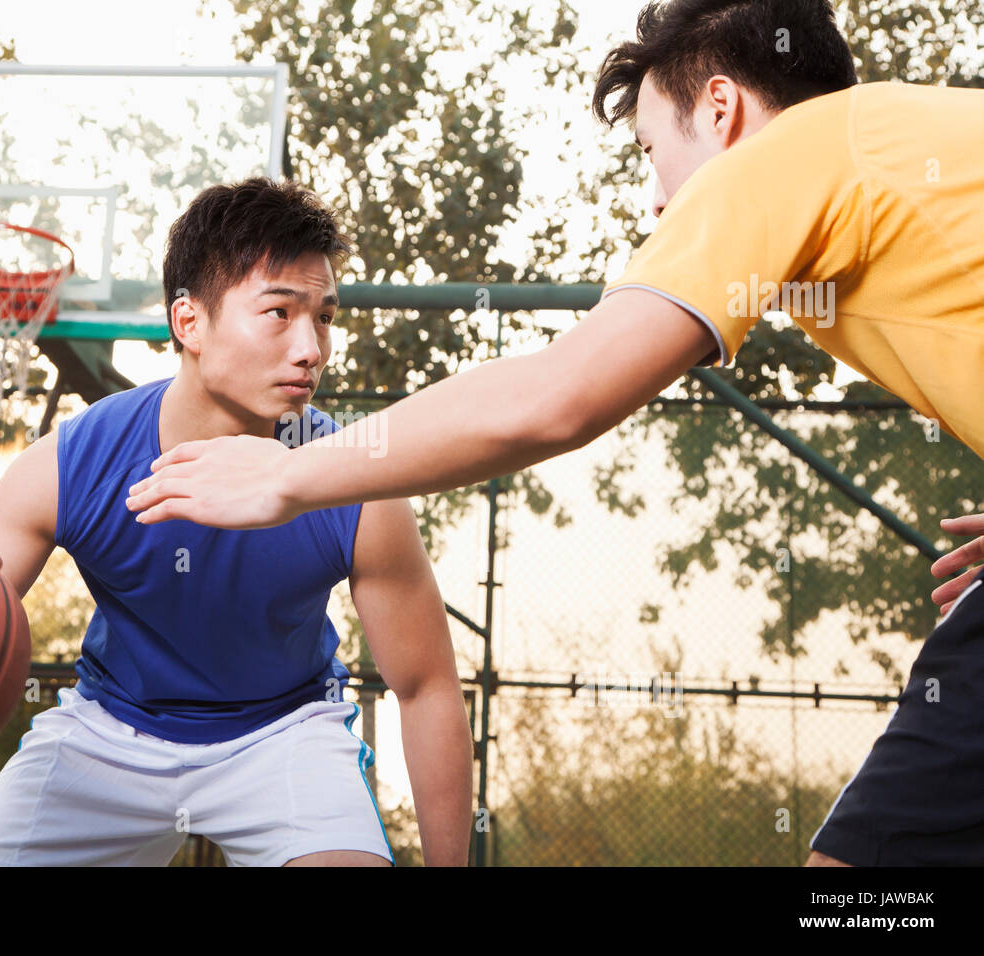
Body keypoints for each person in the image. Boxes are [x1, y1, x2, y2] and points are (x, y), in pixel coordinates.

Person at [123, 0, 984, 866]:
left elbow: (555, 396)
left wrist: (284, 477)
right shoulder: (897, 152)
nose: (656, 199)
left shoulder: (787, 157)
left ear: (721, 110)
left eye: (653, 149)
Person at [0, 178, 473, 867]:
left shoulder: (356, 484)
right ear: (188, 323)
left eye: (324, 316)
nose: (312, 346)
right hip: (109, 730)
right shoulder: (72, 463)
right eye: (279, 313)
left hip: (284, 732)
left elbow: (426, 687)